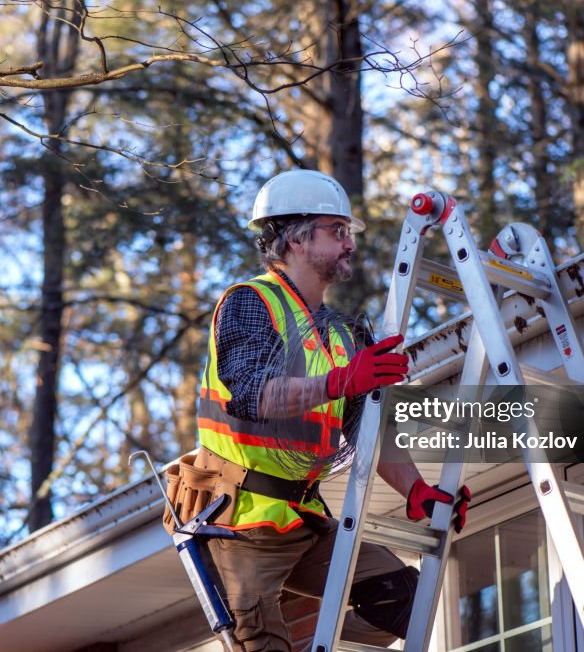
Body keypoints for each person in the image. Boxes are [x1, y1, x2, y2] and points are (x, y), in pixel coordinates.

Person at [189, 168, 469, 651]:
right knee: (258, 638)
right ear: (296, 239)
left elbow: (366, 431)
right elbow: (254, 394)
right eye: (336, 231)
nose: (349, 245)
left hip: (302, 515)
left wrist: (416, 489)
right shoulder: (250, 304)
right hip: (239, 521)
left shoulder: (344, 334)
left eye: (347, 233)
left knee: (406, 599)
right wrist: (343, 380)